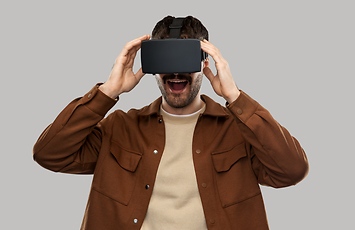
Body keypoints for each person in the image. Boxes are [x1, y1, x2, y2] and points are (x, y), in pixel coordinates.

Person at [33, 16, 309, 230]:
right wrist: (108, 91)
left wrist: (235, 97)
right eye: (166, 58)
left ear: (205, 62)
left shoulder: (238, 130)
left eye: (185, 58)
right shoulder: (120, 128)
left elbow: (292, 170)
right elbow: (49, 154)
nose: (176, 71)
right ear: (152, 62)